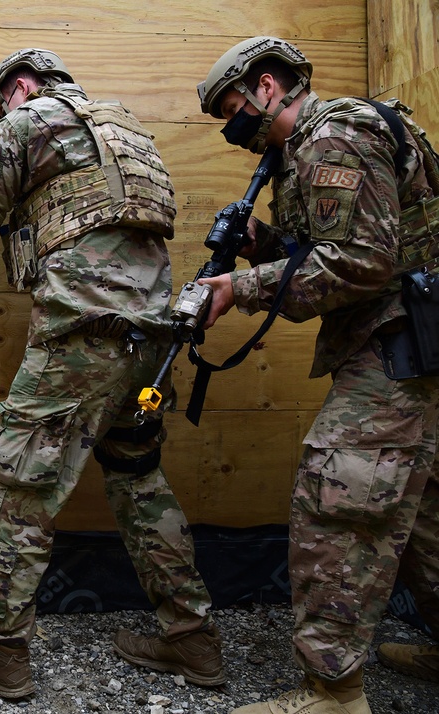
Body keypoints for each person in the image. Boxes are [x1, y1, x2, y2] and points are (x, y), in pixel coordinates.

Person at [0, 48, 225, 698]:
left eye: (2, 107)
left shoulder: (30, 121)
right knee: (137, 479)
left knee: (21, 478)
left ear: (21, 88)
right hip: (149, 335)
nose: (2, 119)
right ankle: (193, 639)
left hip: (83, 335)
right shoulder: (121, 128)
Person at [195, 36, 439, 713]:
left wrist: (239, 290)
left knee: (338, 498)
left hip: (399, 341)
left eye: (233, 108)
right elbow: (326, 252)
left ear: (268, 87)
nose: (231, 126)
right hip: (407, 340)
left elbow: (363, 262)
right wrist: (262, 247)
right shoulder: (302, 152)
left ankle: (333, 692)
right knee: (423, 513)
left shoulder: (336, 133)